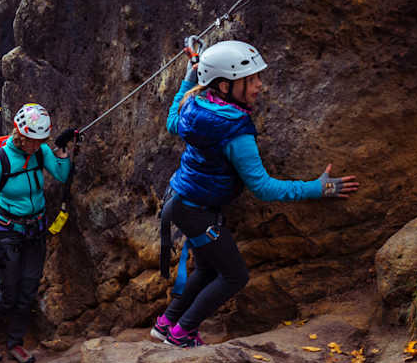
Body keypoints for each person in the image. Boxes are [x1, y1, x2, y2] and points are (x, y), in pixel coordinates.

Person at [154, 40, 359, 347]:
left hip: (181, 202)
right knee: (235, 276)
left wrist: (189, 78)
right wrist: (317, 188)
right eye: (251, 80)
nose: (259, 85)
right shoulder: (235, 131)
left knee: (209, 268)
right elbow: (263, 188)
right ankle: (182, 333)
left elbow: (172, 122)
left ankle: (165, 324)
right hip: (196, 211)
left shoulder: (193, 104)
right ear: (224, 86)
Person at [0, 103, 77, 363]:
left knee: (29, 288)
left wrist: (61, 150)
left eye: (40, 141)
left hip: (35, 230)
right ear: (19, 134)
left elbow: (61, 174)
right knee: (9, 290)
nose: (36, 146)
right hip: (8, 231)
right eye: (31, 141)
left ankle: (15, 341)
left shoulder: (41, 150)